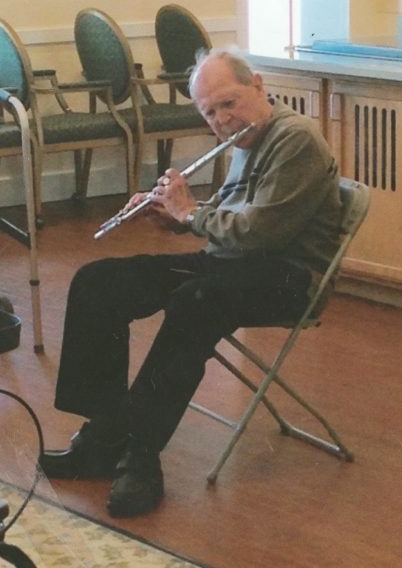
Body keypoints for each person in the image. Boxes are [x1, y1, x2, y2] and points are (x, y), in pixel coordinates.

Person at [39, 49, 342, 518]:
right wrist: (174, 216)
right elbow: (226, 214)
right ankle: (101, 436)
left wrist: (191, 214)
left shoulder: (294, 138)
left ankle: (140, 456)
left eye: (229, 103)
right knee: (98, 282)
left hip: (287, 277)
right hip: (232, 264)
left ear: (258, 86)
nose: (222, 119)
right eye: (210, 112)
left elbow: (261, 233)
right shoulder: (246, 140)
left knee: (195, 300)